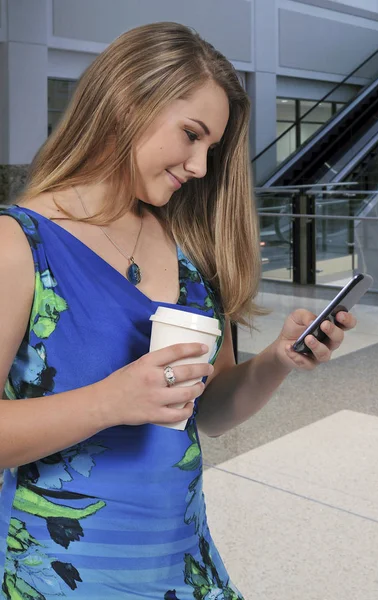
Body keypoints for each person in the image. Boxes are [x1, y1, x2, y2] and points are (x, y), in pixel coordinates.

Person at [0, 22, 356, 600]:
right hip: (60, 573)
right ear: (128, 101)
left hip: (184, 563)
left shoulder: (189, 251)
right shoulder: (18, 244)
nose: (200, 167)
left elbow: (208, 413)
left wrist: (278, 360)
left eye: (211, 147)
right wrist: (111, 401)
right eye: (191, 135)